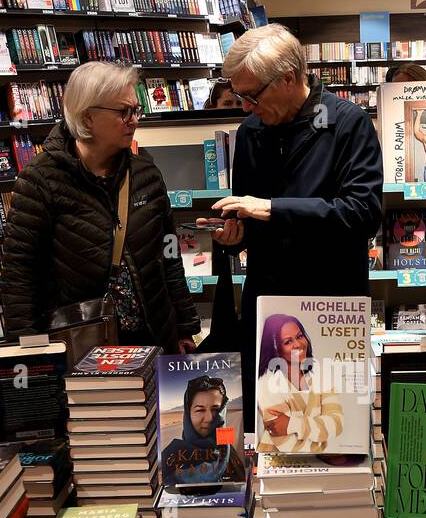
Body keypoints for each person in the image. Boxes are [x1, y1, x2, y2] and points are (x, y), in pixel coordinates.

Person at [194, 24, 383, 410]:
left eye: (252, 95)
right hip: (270, 308)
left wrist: (273, 209)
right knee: (272, 423)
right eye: (240, 96)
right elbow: (250, 220)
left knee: (338, 421)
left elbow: (362, 213)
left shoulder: (348, 124)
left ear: (289, 78)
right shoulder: (250, 132)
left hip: (333, 305)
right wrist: (235, 236)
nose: (245, 106)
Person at [1, 61, 199, 353]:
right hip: (84, 346)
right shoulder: (40, 180)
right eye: (123, 112)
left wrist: (184, 326)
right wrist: (29, 351)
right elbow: (20, 274)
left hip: (153, 338)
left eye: (136, 110)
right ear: (87, 116)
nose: (134, 120)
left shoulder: (146, 174)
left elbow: (169, 254)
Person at [256, 313, 345, 453]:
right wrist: (319, 437)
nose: (298, 344)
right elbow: (288, 445)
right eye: (288, 342)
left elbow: (337, 424)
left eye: (299, 336)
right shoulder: (267, 384)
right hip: (277, 462)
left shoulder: (321, 373)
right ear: (276, 349)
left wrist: (293, 424)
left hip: (316, 462)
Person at [159, 373, 247, 487]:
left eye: (216, 410)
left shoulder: (232, 454)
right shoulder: (169, 459)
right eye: (200, 410)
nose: (209, 418)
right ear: (188, 414)